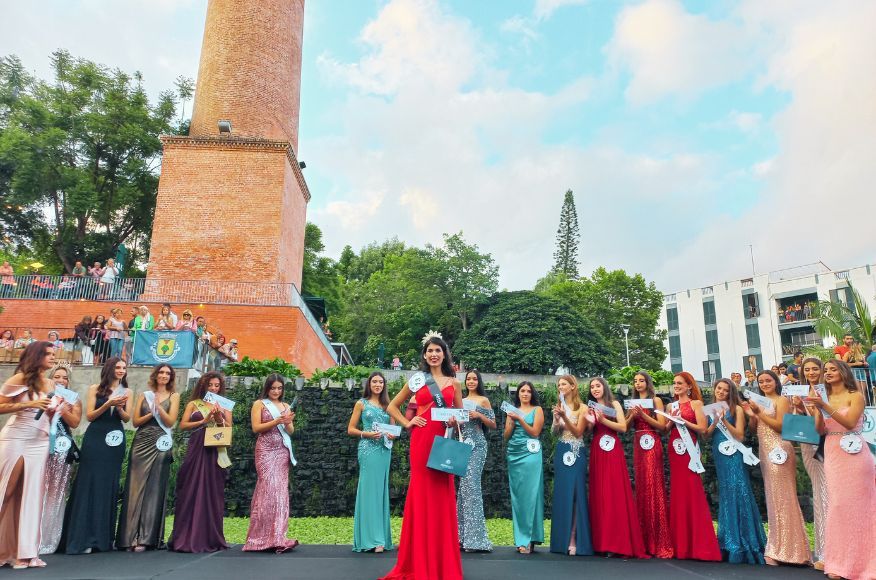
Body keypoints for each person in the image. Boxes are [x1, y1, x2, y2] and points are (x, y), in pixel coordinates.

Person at [381, 334, 464, 579]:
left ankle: (441, 563)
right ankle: (417, 561)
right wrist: (408, 423)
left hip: (442, 442)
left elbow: (461, 416)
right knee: (421, 495)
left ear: (444, 354)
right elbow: (392, 406)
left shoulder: (454, 383)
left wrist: (454, 419)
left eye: (438, 350)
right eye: (430, 351)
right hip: (421, 440)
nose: (434, 354)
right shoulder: (418, 380)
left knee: (442, 496)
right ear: (425, 355)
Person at [806, 360, 876, 580]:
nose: (827, 373)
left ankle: (865, 564)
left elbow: (849, 422)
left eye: (832, 369)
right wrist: (816, 411)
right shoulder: (823, 398)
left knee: (861, 507)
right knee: (837, 506)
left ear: (843, 372)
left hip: (855, 454)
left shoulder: (855, 395)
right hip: (833, 452)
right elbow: (820, 429)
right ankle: (838, 563)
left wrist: (824, 406)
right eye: (825, 370)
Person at [62, 357, 132, 554]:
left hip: (115, 438)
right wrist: (109, 403)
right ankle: (81, 536)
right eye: (118, 367)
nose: (121, 370)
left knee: (108, 484)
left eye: (124, 368)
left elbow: (128, 418)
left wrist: (119, 407)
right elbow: (90, 416)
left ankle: (101, 538)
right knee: (88, 482)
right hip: (96, 436)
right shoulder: (95, 388)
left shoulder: (128, 391)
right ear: (110, 369)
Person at [743, 370, 810, 566]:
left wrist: (759, 413)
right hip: (765, 450)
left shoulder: (781, 400)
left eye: (768, 380)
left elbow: (781, 426)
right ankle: (780, 548)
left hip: (779, 449)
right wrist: (753, 417)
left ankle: (792, 550)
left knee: (784, 497)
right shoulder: (759, 402)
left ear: (775, 382)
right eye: (761, 381)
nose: (764, 384)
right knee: (773, 498)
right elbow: (755, 431)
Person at [0, 342, 56, 569]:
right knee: (7, 491)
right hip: (16, 439)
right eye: (49, 354)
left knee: (31, 495)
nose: (53, 357)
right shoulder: (19, 378)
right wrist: (31, 403)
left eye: (54, 354)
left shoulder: (51, 383)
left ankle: (24, 553)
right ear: (37, 356)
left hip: (40, 441)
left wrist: (53, 411)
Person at [117, 364, 180, 551]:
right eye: (161, 372)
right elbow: (135, 421)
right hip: (142, 441)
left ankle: (147, 538)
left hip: (161, 442)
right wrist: (151, 411)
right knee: (134, 489)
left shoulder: (174, 396)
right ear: (155, 375)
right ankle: (129, 537)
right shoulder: (144, 394)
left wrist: (158, 408)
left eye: (168, 373)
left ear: (171, 377)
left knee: (154, 489)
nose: (164, 375)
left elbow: (170, 421)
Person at [704, 378, 766, 564]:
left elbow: (739, 435)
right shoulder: (710, 408)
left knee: (740, 492)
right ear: (714, 390)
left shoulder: (736, 409)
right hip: (719, 454)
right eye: (719, 389)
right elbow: (706, 435)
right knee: (726, 495)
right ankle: (728, 540)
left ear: (731, 392)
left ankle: (746, 543)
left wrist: (724, 421)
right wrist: (715, 422)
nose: (721, 392)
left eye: (725, 390)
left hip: (734, 455)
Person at [168, 372, 231, 553]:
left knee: (212, 490)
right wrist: (204, 420)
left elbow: (229, 429)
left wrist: (219, 420)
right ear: (204, 386)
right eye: (210, 385)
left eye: (217, 385)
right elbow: (183, 425)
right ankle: (185, 535)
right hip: (196, 447)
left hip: (215, 449)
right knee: (190, 487)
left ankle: (209, 535)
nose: (213, 388)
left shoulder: (225, 405)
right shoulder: (194, 404)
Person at [587, 377, 648, 559]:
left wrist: (603, 420)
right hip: (598, 449)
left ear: (604, 387)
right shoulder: (590, 406)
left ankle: (618, 543)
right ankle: (602, 542)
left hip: (613, 449)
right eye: (592, 387)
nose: (595, 389)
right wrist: (589, 420)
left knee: (614, 493)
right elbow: (590, 429)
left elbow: (622, 427)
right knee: (600, 494)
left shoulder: (614, 404)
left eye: (597, 386)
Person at [667, 372, 721, 561]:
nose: (676, 386)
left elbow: (703, 429)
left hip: (690, 450)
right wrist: (670, 419)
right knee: (678, 493)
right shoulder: (671, 405)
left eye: (680, 383)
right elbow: (666, 428)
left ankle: (699, 544)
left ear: (689, 386)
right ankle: (680, 545)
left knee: (692, 491)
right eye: (674, 383)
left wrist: (683, 421)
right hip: (674, 449)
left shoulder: (696, 404)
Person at [243, 374, 299, 552]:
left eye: (279, 388)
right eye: (273, 388)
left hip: (282, 451)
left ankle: (278, 536)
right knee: (267, 490)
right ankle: (258, 538)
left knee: (280, 492)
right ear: (267, 388)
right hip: (265, 451)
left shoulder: (285, 406)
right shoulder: (259, 404)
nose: (276, 391)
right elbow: (256, 428)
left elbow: (290, 431)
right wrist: (276, 421)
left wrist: (288, 422)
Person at [626, 371, 673, 559]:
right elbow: (627, 426)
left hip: (652, 442)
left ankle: (658, 540)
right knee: (642, 488)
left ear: (648, 382)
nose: (638, 384)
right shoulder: (632, 402)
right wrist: (632, 415)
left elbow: (662, 427)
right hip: (638, 443)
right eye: (635, 381)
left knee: (654, 486)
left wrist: (644, 417)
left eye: (641, 380)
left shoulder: (656, 401)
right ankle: (643, 540)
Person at [347, 372, 395, 553]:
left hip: (384, 450)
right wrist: (366, 434)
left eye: (380, 382)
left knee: (380, 492)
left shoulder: (389, 405)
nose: (377, 384)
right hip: (367, 449)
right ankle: (370, 539)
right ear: (369, 384)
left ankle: (380, 538)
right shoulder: (361, 403)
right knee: (368, 492)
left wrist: (392, 434)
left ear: (384, 385)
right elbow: (350, 429)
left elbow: (394, 430)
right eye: (374, 381)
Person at [39, 363, 82, 555]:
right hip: (40, 444)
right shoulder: (43, 395)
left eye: (65, 377)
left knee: (56, 494)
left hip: (61, 448)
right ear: (51, 378)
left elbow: (75, 422)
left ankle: (49, 539)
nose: (61, 380)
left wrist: (63, 409)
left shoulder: (73, 399)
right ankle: (30, 535)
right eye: (57, 377)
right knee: (38, 490)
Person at [549, 375, 592, 557]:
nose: (561, 387)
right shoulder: (559, 406)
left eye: (564, 384)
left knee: (576, 495)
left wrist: (565, 418)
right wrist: (556, 418)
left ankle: (574, 538)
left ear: (573, 386)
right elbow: (553, 432)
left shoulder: (583, 408)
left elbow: (578, 432)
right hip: (562, 450)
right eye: (559, 385)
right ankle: (561, 540)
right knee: (563, 494)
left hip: (576, 451)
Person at [792, 357, 828, 570]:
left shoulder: (826, 391)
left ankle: (829, 549)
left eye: (815, 368)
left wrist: (812, 407)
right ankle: (821, 548)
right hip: (807, 443)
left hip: (825, 442)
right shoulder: (802, 391)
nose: (812, 372)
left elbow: (824, 417)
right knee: (818, 491)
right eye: (808, 369)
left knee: (827, 493)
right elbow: (798, 419)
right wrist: (798, 407)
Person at [504, 381, 545, 555]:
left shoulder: (538, 410)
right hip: (514, 453)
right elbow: (506, 436)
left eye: (528, 391)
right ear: (518, 393)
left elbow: (535, 433)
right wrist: (512, 422)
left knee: (531, 494)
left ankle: (527, 539)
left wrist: (520, 418)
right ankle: (525, 537)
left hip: (531, 454)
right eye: (522, 391)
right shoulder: (511, 411)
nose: (525, 393)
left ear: (532, 393)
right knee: (519, 497)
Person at [457, 370, 496, 553]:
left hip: (478, 446)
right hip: (462, 445)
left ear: (478, 381)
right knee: (463, 489)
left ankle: (476, 539)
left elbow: (493, 423)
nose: (471, 381)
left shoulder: (483, 400)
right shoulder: (460, 400)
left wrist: (479, 416)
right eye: (468, 379)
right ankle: (461, 536)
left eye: (474, 379)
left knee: (472, 486)